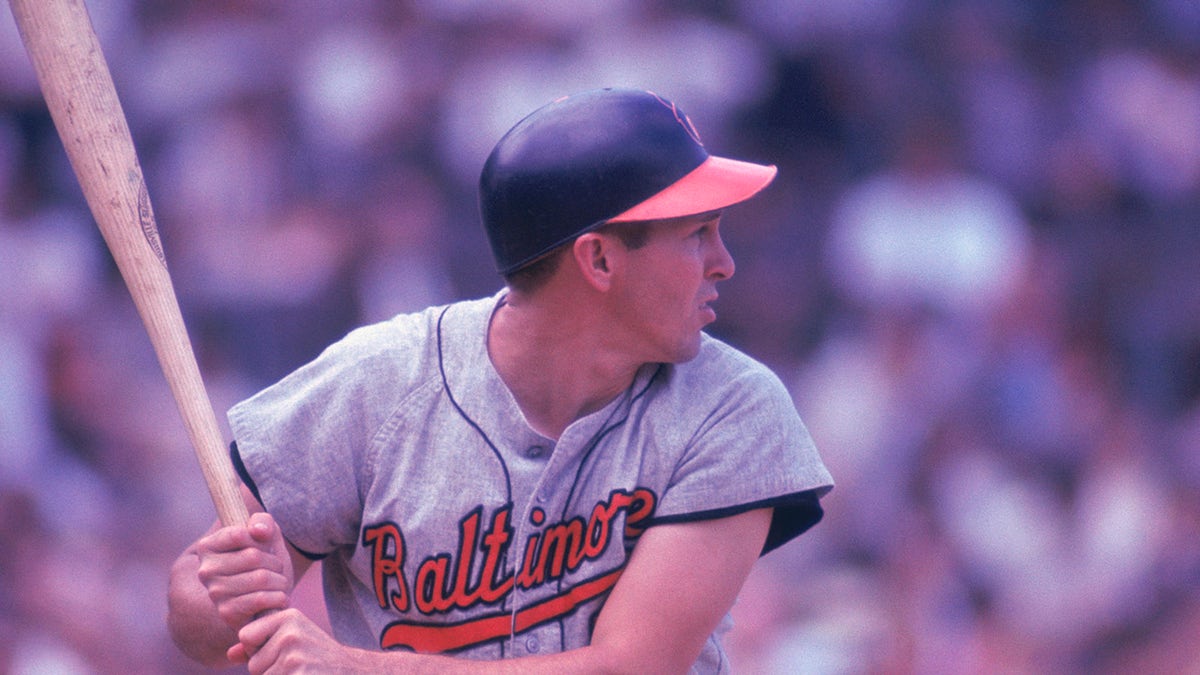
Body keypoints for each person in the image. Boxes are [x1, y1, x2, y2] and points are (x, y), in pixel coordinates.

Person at [166, 87, 833, 674]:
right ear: (598, 258)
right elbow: (199, 621)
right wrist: (223, 594)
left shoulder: (733, 407)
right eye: (698, 234)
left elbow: (630, 669)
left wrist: (355, 669)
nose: (724, 263)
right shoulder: (378, 383)